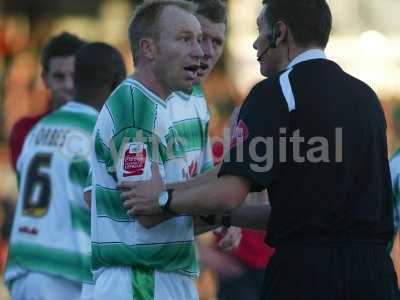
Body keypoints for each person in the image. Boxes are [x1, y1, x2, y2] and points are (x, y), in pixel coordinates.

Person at [120, 0, 400, 299]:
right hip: (375, 276)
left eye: (259, 31)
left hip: (306, 275)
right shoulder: (366, 98)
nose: (255, 44)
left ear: (279, 33)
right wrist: (224, 218)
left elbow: (229, 192)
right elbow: (300, 213)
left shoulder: (276, 92)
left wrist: (163, 198)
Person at [89, 1, 207, 299]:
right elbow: (148, 209)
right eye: (184, 39)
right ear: (148, 49)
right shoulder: (136, 108)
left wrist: (222, 203)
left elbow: (167, 203)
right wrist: (222, 192)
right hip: (143, 281)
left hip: (157, 277)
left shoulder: (155, 106)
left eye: (199, 39)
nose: (200, 52)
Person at [4, 42, 126, 300]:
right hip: (64, 272)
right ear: (117, 84)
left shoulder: (38, 129)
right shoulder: (101, 133)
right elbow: (114, 211)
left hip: (24, 265)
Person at [9, 32, 85, 171]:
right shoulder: (25, 129)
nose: (68, 85)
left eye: (75, 76)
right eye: (59, 77)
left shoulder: (101, 127)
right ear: (45, 79)